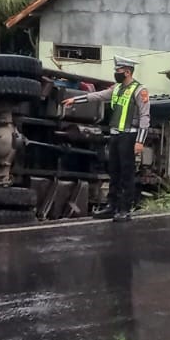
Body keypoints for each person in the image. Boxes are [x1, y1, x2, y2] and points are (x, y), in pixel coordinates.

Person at [64, 56, 148, 221]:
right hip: (115, 135)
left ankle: (125, 209)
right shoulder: (116, 88)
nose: (116, 73)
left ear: (127, 72)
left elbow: (145, 117)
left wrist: (140, 141)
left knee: (127, 173)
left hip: (129, 135)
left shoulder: (139, 90)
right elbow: (97, 96)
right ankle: (112, 206)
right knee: (114, 172)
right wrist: (76, 100)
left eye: (118, 71)